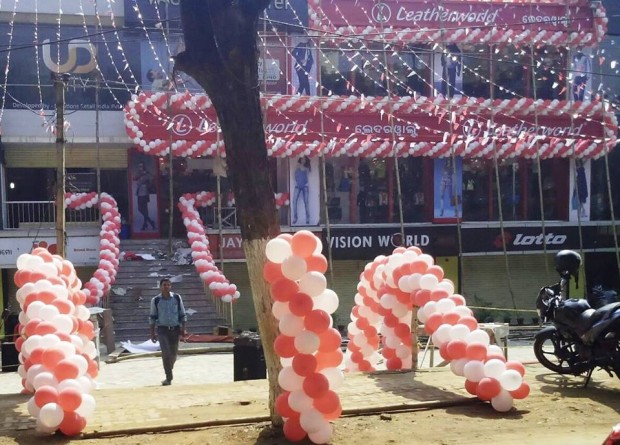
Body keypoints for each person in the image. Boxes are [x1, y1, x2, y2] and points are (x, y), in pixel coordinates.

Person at [149, 278, 187, 386]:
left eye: (168, 285)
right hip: (162, 330)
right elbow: (152, 317)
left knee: (173, 355)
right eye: (164, 285)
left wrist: (183, 328)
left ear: (171, 286)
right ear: (160, 287)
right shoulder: (156, 300)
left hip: (175, 329)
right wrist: (152, 333)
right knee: (166, 354)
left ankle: (168, 369)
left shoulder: (176, 298)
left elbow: (182, 314)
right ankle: (168, 378)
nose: (166, 287)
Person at [134, 162, 157, 231]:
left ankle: (148, 223)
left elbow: (152, 178)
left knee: (143, 209)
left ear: (144, 167)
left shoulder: (147, 174)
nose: (140, 168)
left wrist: (147, 184)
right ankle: (148, 223)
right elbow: (134, 178)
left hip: (144, 193)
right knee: (142, 209)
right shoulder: (139, 174)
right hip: (140, 193)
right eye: (139, 166)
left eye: (141, 166)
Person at [292, 156, 311, 224]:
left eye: (305, 159)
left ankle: (308, 218)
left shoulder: (306, 168)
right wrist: (297, 181)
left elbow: (307, 174)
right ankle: (295, 217)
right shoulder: (297, 166)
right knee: (294, 201)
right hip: (298, 185)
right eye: (302, 159)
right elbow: (294, 175)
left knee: (306, 202)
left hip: (305, 186)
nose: (303, 160)